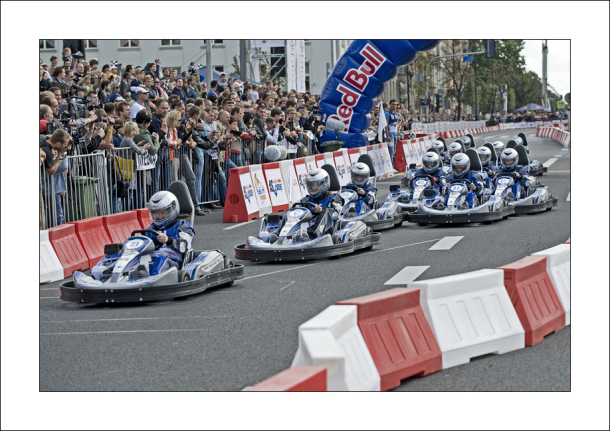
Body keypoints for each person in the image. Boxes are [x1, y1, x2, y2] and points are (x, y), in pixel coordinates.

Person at [137, 191, 195, 274]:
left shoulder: (181, 226)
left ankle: (153, 279)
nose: (159, 216)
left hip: (172, 260)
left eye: (162, 213)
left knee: (161, 260)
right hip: (151, 259)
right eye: (156, 213)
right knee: (137, 261)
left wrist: (169, 240)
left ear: (172, 210)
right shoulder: (150, 229)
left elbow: (185, 245)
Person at [294, 168, 343, 241]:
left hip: (327, 229)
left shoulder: (334, 198)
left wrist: (322, 209)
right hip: (305, 229)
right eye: (311, 185)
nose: (313, 188)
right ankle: (279, 235)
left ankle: (312, 235)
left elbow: (337, 211)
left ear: (324, 183)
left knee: (326, 212)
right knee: (292, 212)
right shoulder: (306, 200)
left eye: (316, 185)